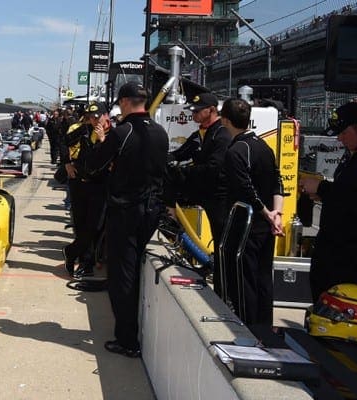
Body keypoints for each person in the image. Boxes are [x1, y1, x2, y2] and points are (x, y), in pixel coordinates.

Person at [85, 83, 169, 358]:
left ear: (124, 102)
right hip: (152, 210)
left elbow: (93, 165)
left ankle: (127, 340)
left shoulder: (122, 132)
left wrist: (100, 141)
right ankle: (131, 334)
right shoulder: (161, 133)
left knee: (122, 276)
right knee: (133, 273)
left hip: (126, 212)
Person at [219, 98, 284, 329]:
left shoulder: (236, 150)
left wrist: (267, 213)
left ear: (225, 120)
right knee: (264, 277)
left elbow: (245, 189)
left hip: (246, 225)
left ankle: (247, 327)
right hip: (265, 226)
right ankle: (264, 326)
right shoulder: (264, 146)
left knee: (245, 279)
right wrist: (278, 214)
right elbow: (277, 180)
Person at [167, 92, 232, 296]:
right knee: (163, 199)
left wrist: (184, 172)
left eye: (197, 111)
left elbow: (213, 168)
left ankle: (222, 285)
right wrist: (162, 157)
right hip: (201, 190)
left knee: (222, 241)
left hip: (219, 196)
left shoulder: (222, 134)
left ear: (211, 110)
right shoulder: (199, 133)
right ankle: (195, 256)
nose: (193, 114)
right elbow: (179, 154)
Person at [300, 101, 357, 303]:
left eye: (344, 132)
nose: (339, 138)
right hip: (334, 248)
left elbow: (356, 199)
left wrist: (322, 189)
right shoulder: (352, 156)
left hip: (352, 255)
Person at [63, 102, 111, 278]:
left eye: (97, 117)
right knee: (81, 224)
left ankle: (71, 251)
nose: (95, 120)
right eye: (91, 117)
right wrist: (66, 163)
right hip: (79, 183)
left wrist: (102, 140)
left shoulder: (113, 134)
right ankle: (86, 263)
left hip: (99, 185)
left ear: (106, 115)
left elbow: (113, 158)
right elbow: (65, 141)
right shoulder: (85, 129)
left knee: (94, 226)